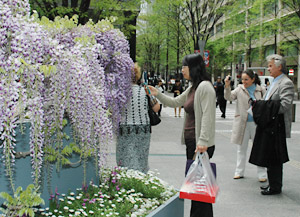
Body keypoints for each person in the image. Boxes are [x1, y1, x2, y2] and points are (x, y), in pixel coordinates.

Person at [148, 53, 216, 217]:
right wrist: (157, 94)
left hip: (200, 144)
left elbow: (207, 115)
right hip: (193, 142)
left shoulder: (205, 87)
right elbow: (176, 102)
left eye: (184, 66)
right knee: (197, 186)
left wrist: (203, 141)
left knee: (199, 187)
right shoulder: (194, 87)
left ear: (193, 68)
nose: (182, 70)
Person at [249, 54, 294, 195]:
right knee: (270, 155)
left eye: (270, 66)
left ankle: (275, 186)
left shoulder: (286, 83)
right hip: (270, 124)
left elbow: (285, 105)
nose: (268, 69)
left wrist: (264, 106)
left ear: (279, 67)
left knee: (275, 157)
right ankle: (272, 183)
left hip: (277, 125)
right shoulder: (274, 81)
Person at [224, 69, 267, 182]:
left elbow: (267, 103)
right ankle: (239, 171)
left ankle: (262, 173)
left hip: (257, 124)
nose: (244, 81)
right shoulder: (239, 89)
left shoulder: (260, 90)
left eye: (246, 79)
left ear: (253, 79)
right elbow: (228, 97)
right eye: (242, 79)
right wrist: (227, 86)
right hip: (242, 123)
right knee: (241, 149)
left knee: (259, 148)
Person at [116, 63, 159, 173]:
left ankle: (127, 184)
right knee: (141, 160)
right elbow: (156, 108)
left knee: (125, 160)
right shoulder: (144, 90)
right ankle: (141, 179)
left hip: (125, 129)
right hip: (143, 129)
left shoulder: (119, 92)